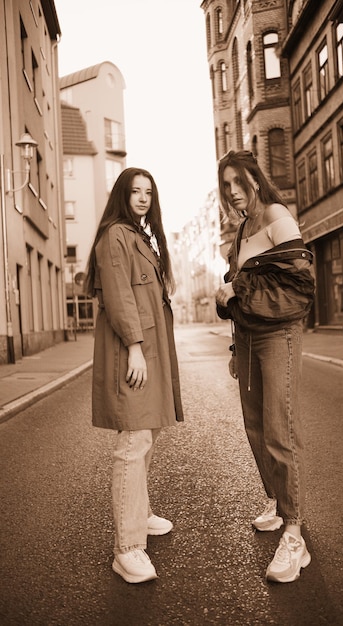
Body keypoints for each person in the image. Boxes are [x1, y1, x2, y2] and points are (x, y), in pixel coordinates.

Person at [215, 150, 315, 583]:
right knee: (255, 427)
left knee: (279, 428)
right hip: (250, 338)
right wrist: (237, 344)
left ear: (255, 179)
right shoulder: (240, 230)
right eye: (226, 186)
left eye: (239, 181)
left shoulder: (277, 215)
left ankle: (294, 534)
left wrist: (235, 292)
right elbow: (245, 287)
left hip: (279, 336)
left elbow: (299, 284)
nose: (233, 191)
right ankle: (278, 502)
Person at [85, 167, 183, 584]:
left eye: (148, 191)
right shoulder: (115, 236)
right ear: (122, 195)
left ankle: (139, 515)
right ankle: (126, 548)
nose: (143, 197)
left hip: (150, 350)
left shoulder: (142, 236)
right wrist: (135, 348)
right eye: (135, 191)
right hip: (135, 350)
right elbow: (121, 296)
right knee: (133, 441)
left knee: (147, 435)